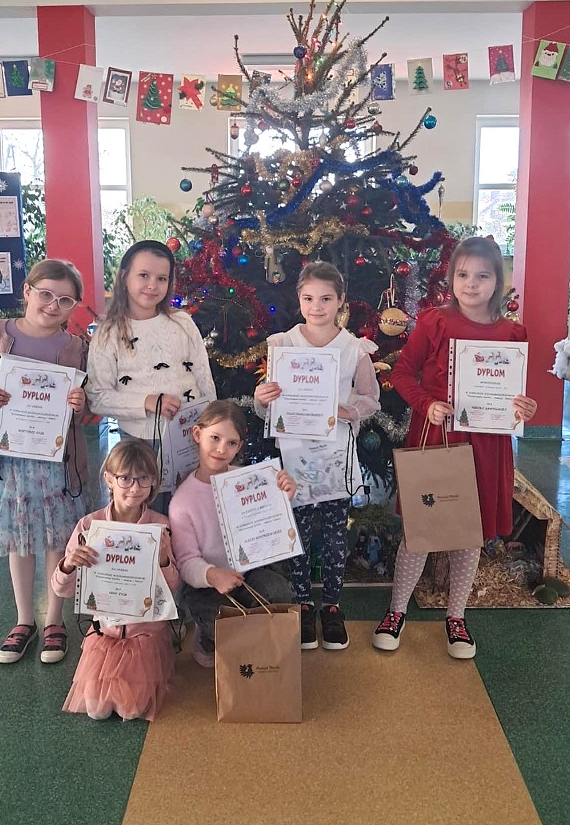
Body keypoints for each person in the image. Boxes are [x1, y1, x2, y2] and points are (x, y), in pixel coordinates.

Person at [372, 236, 538, 659]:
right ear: (451, 278)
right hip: (437, 439)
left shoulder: (512, 332)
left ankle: (456, 616)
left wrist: (525, 408)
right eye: (463, 274)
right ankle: (396, 611)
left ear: (497, 282)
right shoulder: (434, 322)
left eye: (482, 276)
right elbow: (402, 373)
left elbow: (515, 395)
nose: (471, 284)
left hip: (487, 446)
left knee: (469, 532)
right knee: (421, 530)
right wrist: (426, 404)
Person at [0, 259, 89, 666]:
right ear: (27, 291)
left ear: (73, 306)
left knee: (56, 539)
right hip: (8, 458)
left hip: (56, 460)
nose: (52, 305)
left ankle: (54, 620)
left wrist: (82, 403)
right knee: (19, 537)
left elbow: (90, 406)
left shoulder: (76, 348)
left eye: (65, 300)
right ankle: (24, 619)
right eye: (45, 294)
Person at [254, 261, 380, 652]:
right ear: (299, 299)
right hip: (295, 456)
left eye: (326, 299)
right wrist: (262, 399)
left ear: (341, 301)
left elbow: (371, 398)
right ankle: (304, 604)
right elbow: (267, 405)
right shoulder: (283, 345)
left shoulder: (354, 348)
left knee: (335, 533)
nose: (317, 306)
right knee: (299, 532)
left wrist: (349, 410)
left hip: (335, 455)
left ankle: (332, 606)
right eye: (308, 298)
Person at [51, 438, 178, 721]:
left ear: (153, 481)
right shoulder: (89, 526)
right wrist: (68, 565)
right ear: (109, 479)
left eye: (143, 478)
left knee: (130, 710)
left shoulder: (160, 526)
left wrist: (163, 560)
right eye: (125, 478)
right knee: (96, 710)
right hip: (105, 634)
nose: (135, 488)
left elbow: (172, 589)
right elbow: (62, 589)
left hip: (144, 635)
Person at [85, 240, 215, 509]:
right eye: (143, 275)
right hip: (140, 443)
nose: (152, 285)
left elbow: (204, 377)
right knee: (148, 514)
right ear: (124, 277)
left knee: (190, 511)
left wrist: (211, 423)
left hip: (189, 435)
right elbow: (97, 397)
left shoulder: (182, 322)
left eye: (161, 278)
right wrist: (147, 402)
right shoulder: (108, 333)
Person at [168, 400, 297, 668]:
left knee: (278, 591)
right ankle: (207, 638)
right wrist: (212, 575)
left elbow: (270, 527)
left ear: (239, 447)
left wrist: (283, 498)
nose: (221, 449)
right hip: (206, 584)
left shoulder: (248, 480)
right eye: (214, 438)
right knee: (219, 620)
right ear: (197, 434)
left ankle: (253, 644)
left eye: (231, 443)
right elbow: (186, 561)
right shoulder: (182, 501)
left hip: (247, 573)